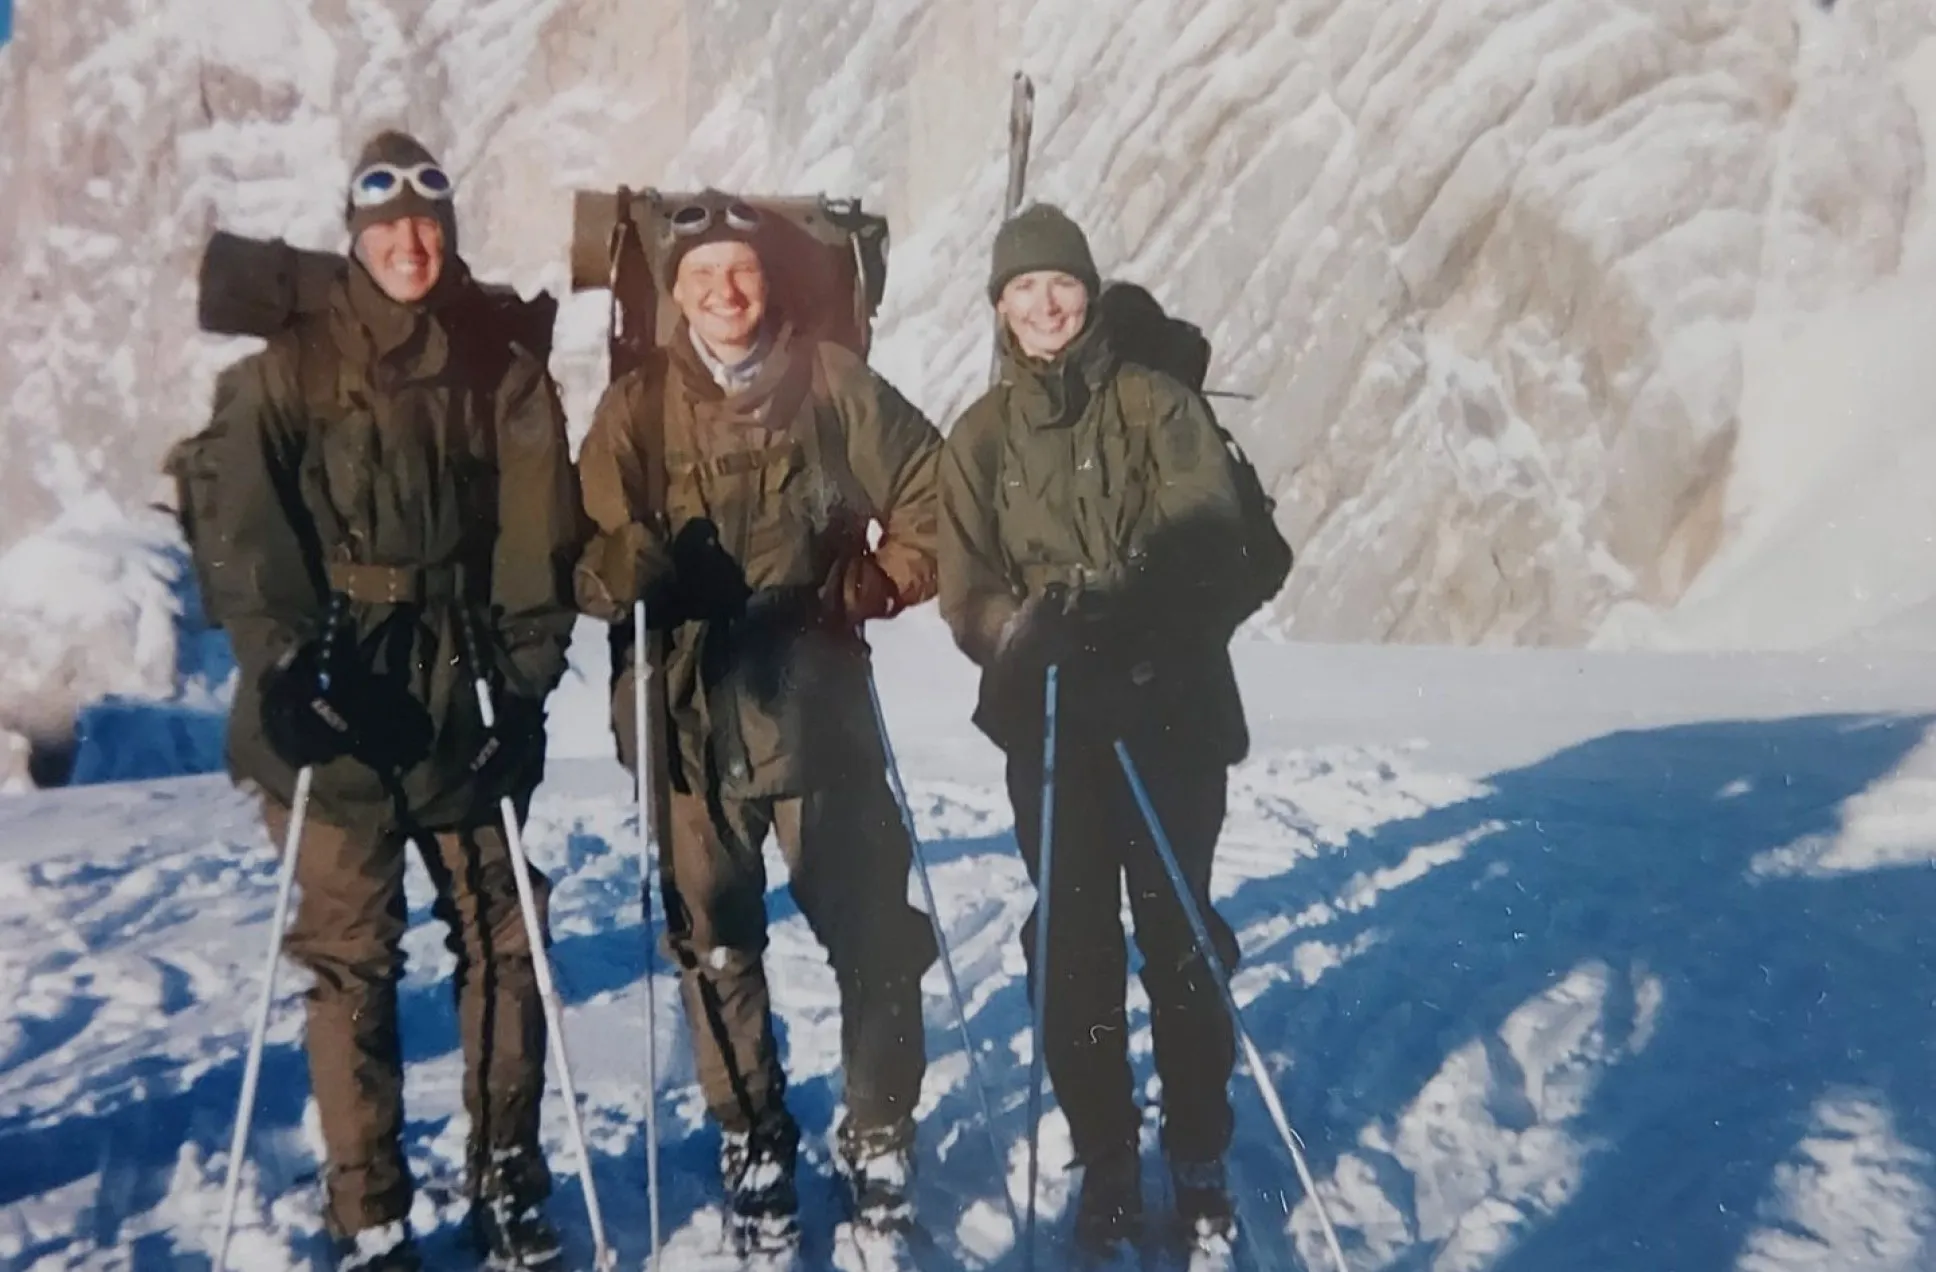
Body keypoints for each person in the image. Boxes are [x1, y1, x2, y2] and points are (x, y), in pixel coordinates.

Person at [186, 130, 584, 1272]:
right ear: (354, 238)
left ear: (447, 234)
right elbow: (246, 532)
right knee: (353, 962)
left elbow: (535, 530)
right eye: (386, 227)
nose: (410, 245)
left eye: (428, 225)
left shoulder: (498, 364)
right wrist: (279, 671)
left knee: (507, 936)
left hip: (461, 681)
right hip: (337, 686)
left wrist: (523, 683)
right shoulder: (289, 366)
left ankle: (507, 1176)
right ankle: (371, 1214)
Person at [573, 192, 942, 1253]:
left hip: (817, 707)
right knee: (717, 949)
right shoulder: (635, 411)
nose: (724, 292)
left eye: (740, 272)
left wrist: (879, 581)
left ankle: (878, 1136)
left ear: (769, 281)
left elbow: (933, 490)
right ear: (674, 293)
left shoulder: (829, 381)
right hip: (685, 719)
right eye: (700, 277)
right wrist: (625, 568)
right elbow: (586, 565)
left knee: (874, 935)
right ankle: (753, 1140)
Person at [937, 203, 1259, 1260]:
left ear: (1086, 290)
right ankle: (1107, 1159)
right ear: (999, 309)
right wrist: (1021, 635)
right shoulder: (979, 437)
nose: (1044, 304)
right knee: (1070, 949)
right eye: (1022, 290)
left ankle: (1200, 1155)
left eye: (1060, 284)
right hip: (1054, 726)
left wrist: (1130, 615)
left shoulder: (1154, 403)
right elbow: (965, 590)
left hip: (1167, 709)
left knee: (1176, 939)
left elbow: (1208, 533)